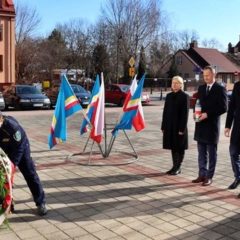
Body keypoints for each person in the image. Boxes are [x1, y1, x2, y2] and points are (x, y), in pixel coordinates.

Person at [0, 112, 47, 216]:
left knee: (30, 173)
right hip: (3, 148)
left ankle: (40, 203)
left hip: (20, 147)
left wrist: (12, 165)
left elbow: (18, 149)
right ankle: (7, 204)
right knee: (3, 177)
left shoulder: (12, 127)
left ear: (1, 120)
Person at [192, 66, 228, 186]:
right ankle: (202, 174)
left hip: (212, 127)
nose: (205, 77)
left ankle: (209, 176)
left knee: (212, 154)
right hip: (200, 125)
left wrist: (208, 114)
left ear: (214, 75)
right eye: (204, 75)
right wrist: (195, 113)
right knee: (201, 152)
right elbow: (197, 103)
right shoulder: (201, 88)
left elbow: (224, 107)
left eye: (207, 75)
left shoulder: (220, 89)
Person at [161, 76, 189, 175]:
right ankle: (174, 166)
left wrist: (182, 129)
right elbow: (165, 112)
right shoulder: (169, 96)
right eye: (173, 82)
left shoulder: (184, 96)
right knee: (173, 146)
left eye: (177, 83)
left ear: (181, 85)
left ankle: (178, 167)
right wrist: (163, 126)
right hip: (169, 126)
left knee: (179, 147)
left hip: (179, 127)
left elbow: (185, 114)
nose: (174, 84)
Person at [224, 80, 240, 191]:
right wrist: (228, 125)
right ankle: (238, 177)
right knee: (233, 153)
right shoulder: (238, 86)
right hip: (238, 127)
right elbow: (232, 106)